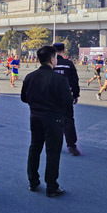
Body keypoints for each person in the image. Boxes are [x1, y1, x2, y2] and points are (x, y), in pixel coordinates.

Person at [21, 46, 73, 197]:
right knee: (52, 152)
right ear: (52, 59)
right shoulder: (59, 79)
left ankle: (33, 181)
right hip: (53, 119)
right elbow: (68, 101)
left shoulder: (30, 77)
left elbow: (24, 98)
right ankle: (51, 186)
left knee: (34, 148)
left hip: (35, 117)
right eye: (56, 58)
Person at [53, 43, 81, 156]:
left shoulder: (50, 64)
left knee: (52, 120)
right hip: (65, 96)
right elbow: (75, 81)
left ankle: (54, 144)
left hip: (51, 97)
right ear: (63, 51)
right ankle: (71, 146)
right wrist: (76, 95)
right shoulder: (68, 64)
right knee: (68, 120)